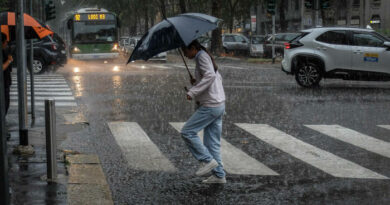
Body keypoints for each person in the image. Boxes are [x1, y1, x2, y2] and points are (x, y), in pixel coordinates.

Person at [180, 40, 226, 184]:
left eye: (185, 52)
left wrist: (193, 91)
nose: (185, 55)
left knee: (187, 132)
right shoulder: (204, 55)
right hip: (218, 104)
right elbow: (215, 77)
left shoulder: (201, 56)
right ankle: (219, 175)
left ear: (193, 48)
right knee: (212, 143)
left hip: (210, 105)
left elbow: (210, 77)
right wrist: (197, 82)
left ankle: (207, 161)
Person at [2, 33, 13, 140]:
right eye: (5, 41)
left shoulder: (4, 51)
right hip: (3, 85)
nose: (6, 43)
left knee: (5, 106)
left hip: (6, 83)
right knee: (3, 107)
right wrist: (9, 61)